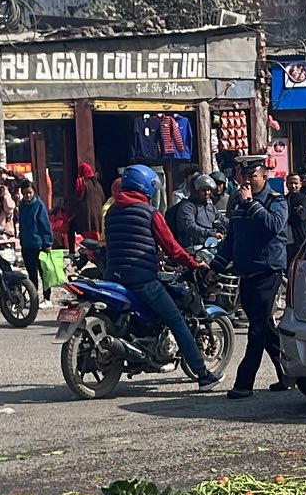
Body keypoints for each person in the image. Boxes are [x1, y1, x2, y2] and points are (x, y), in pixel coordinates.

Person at [106, 164, 215, 388]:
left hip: (113, 277)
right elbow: (172, 248)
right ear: (145, 187)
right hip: (141, 279)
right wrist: (193, 264)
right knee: (175, 319)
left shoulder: (112, 211)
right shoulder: (150, 213)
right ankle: (203, 374)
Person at [219, 156, 292, 400]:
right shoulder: (238, 203)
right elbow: (232, 239)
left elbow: (274, 226)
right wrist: (214, 266)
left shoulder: (276, 201)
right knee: (266, 327)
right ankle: (288, 374)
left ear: (265, 177)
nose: (248, 181)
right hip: (246, 271)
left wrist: (252, 204)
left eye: (254, 176)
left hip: (268, 271)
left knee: (257, 329)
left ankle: (244, 382)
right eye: (245, 176)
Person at [13, 176, 55, 307]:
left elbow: (45, 225)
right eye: (25, 193)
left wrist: (47, 243)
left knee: (44, 273)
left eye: (30, 192)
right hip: (26, 244)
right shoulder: (22, 205)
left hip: (39, 244)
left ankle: (47, 299)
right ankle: (34, 298)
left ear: (34, 192)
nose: (27, 195)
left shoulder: (39, 205)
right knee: (31, 274)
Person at [167, 174, 221, 252]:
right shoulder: (187, 207)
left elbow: (221, 218)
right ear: (195, 191)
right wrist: (210, 233)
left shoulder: (210, 206)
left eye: (208, 190)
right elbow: (190, 226)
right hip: (193, 248)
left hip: (210, 245)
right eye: (203, 190)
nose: (207, 193)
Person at [74, 163, 106, 249]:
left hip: (86, 216)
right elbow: (103, 198)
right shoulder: (97, 184)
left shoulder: (81, 182)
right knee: (97, 236)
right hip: (98, 215)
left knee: (87, 239)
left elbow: (78, 197)